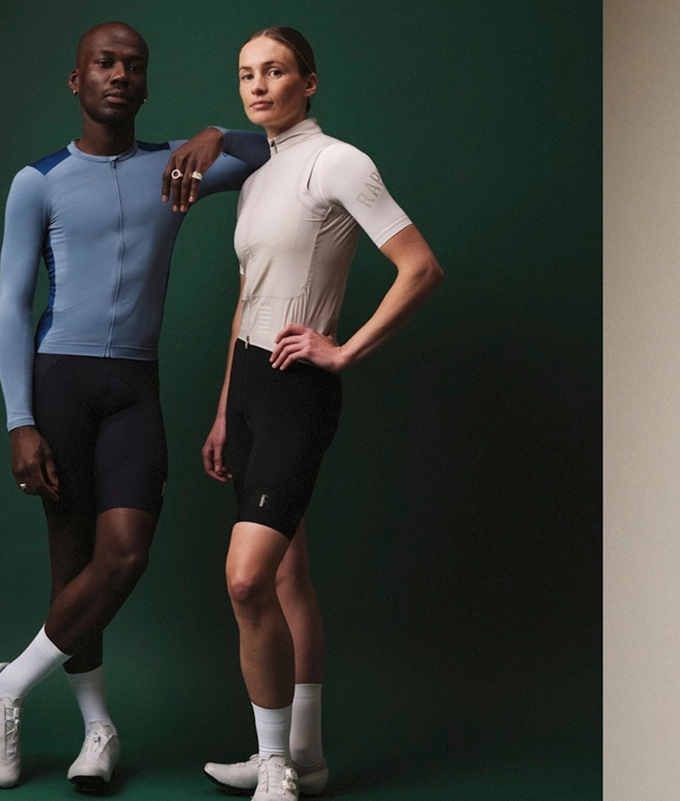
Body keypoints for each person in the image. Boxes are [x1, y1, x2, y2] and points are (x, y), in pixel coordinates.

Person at [0, 21, 270, 791]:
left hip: (134, 385)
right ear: (77, 80)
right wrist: (20, 419)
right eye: (105, 63)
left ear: (145, 85)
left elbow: (277, 152)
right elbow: (15, 304)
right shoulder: (36, 180)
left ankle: (7, 683)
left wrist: (217, 132)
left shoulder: (176, 168)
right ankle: (97, 730)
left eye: (134, 66)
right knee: (73, 561)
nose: (120, 74)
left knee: (125, 554)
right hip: (60, 382)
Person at [197, 26, 443, 801]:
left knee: (248, 580)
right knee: (291, 576)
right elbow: (250, 291)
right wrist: (223, 410)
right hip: (250, 385)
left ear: (309, 81)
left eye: (275, 71)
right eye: (246, 74)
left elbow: (419, 265)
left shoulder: (338, 161)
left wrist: (343, 350)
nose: (259, 85)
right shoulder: (258, 172)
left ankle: (275, 766)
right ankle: (305, 754)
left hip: (300, 387)